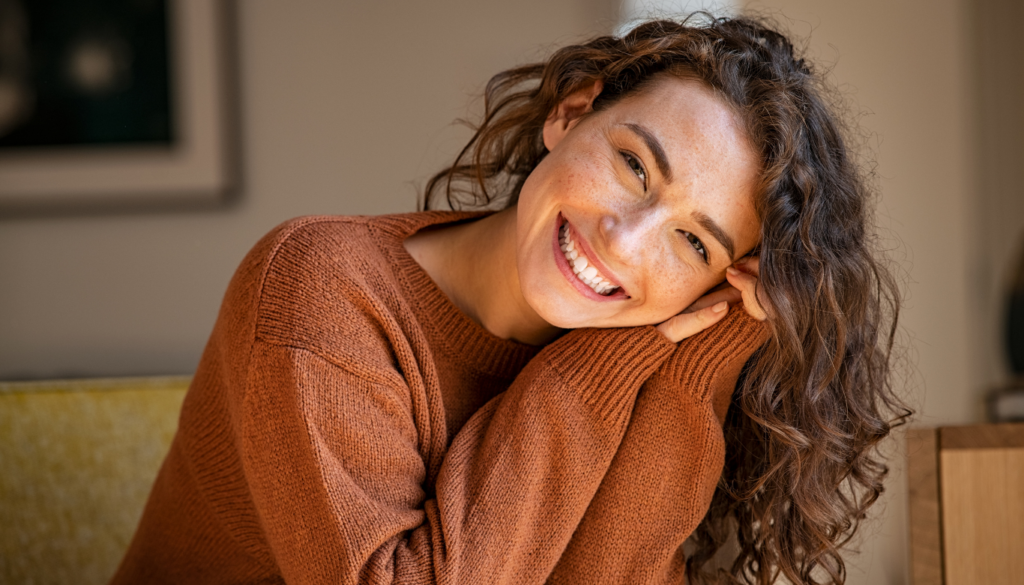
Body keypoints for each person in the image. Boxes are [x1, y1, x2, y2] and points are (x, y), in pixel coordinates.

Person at [111, 14, 907, 585]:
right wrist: (597, 365)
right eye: (635, 166)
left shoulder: (651, 352)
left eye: (694, 243)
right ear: (570, 114)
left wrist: (696, 358)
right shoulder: (321, 289)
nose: (624, 242)